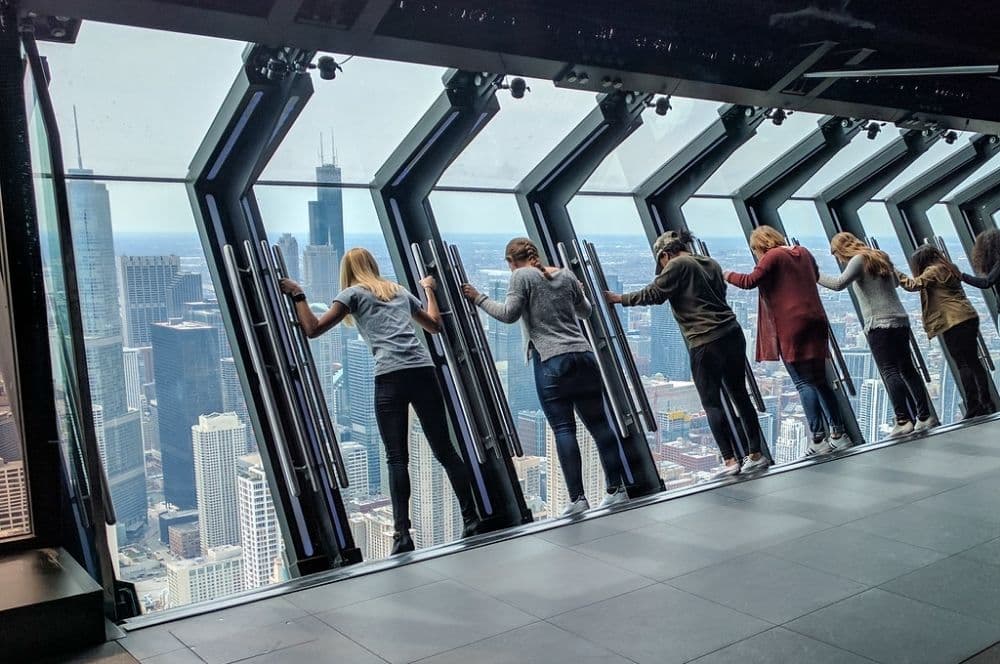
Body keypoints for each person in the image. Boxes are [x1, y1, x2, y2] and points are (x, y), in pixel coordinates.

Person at [280, 247, 480, 555]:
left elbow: (312, 329)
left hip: (390, 376)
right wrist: (428, 290)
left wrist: (297, 294)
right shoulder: (398, 291)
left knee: (397, 458)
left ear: (347, 271)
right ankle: (472, 518)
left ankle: (402, 535)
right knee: (446, 451)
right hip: (423, 371)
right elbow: (435, 326)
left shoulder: (352, 294)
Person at [461, 237, 629, 517]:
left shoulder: (520, 276)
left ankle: (578, 499)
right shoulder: (565, 274)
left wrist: (478, 298)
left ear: (510, 262)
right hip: (584, 356)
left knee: (564, 429)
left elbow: (508, 314)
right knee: (600, 426)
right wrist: (578, 293)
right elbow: (586, 311)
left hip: (551, 360)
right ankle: (617, 489)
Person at [605, 230, 769, 476]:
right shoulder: (710, 263)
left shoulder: (678, 264)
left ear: (665, 254)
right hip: (732, 333)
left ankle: (729, 460)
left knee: (711, 402)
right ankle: (755, 454)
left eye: (661, 262)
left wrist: (619, 298)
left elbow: (655, 294)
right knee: (740, 395)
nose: (662, 267)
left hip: (705, 340)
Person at [725, 226, 849, 456]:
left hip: (792, 325)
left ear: (762, 244)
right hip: (817, 320)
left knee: (803, 383)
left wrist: (725, 274)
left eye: (755, 250)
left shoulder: (773, 256)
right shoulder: (803, 252)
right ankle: (839, 434)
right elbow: (814, 275)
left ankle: (818, 438)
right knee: (820, 380)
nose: (756, 255)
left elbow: (749, 281)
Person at [818, 232, 937, 437]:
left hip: (879, 324)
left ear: (843, 248)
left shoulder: (858, 259)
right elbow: (898, 282)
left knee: (889, 371)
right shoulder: (880, 256)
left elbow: (838, 284)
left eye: (836, 253)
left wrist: (815, 274)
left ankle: (903, 420)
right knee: (908, 369)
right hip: (900, 320)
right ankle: (924, 417)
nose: (838, 258)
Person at [898, 244, 996, 420]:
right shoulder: (951, 267)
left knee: (962, 364)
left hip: (952, 321)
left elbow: (913, 285)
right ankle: (986, 401)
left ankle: (974, 406)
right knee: (974, 361)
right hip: (968, 316)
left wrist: (894, 272)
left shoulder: (932, 271)